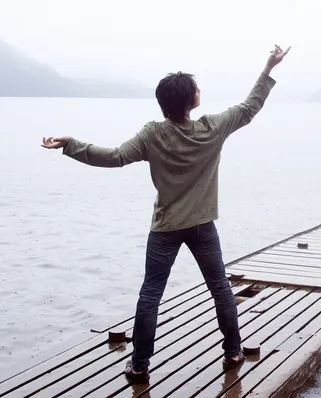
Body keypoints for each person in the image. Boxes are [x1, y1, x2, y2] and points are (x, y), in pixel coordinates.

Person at [41, 44, 290, 383]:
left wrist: (70, 144)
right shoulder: (211, 129)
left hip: (165, 228)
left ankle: (140, 364)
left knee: (151, 293)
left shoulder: (152, 134)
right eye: (197, 89)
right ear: (191, 101)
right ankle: (233, 351)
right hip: (202, 225)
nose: (200, 91)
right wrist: (268, 67)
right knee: (219, 287)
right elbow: (249, 108)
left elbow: (113, 157)